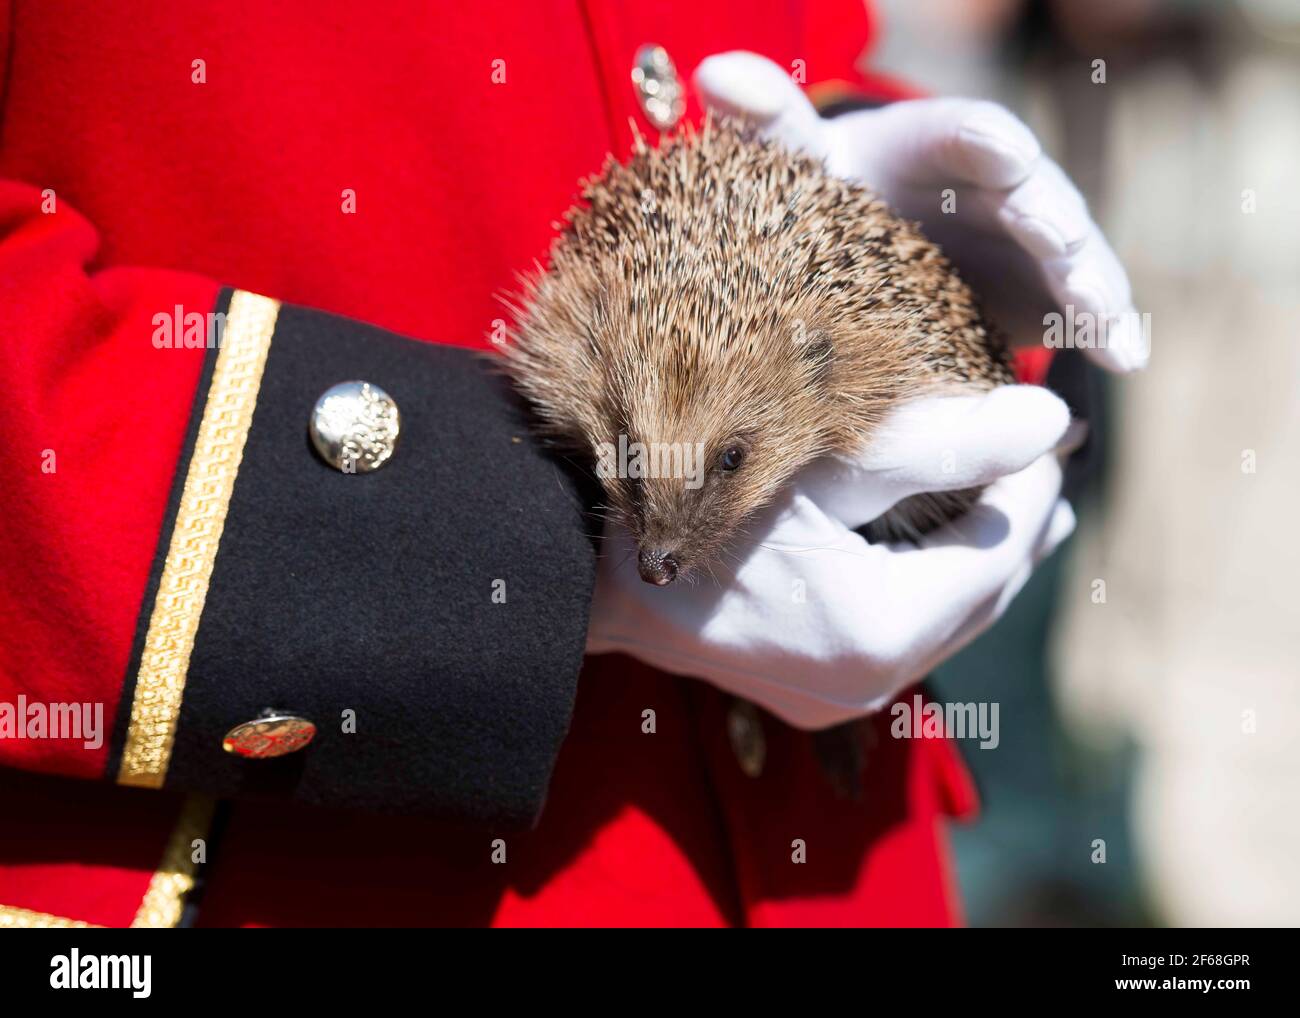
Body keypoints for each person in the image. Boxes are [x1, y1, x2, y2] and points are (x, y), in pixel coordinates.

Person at [0, 1, 1139, 927]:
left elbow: (784, 44)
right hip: (301, 866)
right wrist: (502, 529)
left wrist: (858, 153)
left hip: (828, 855)